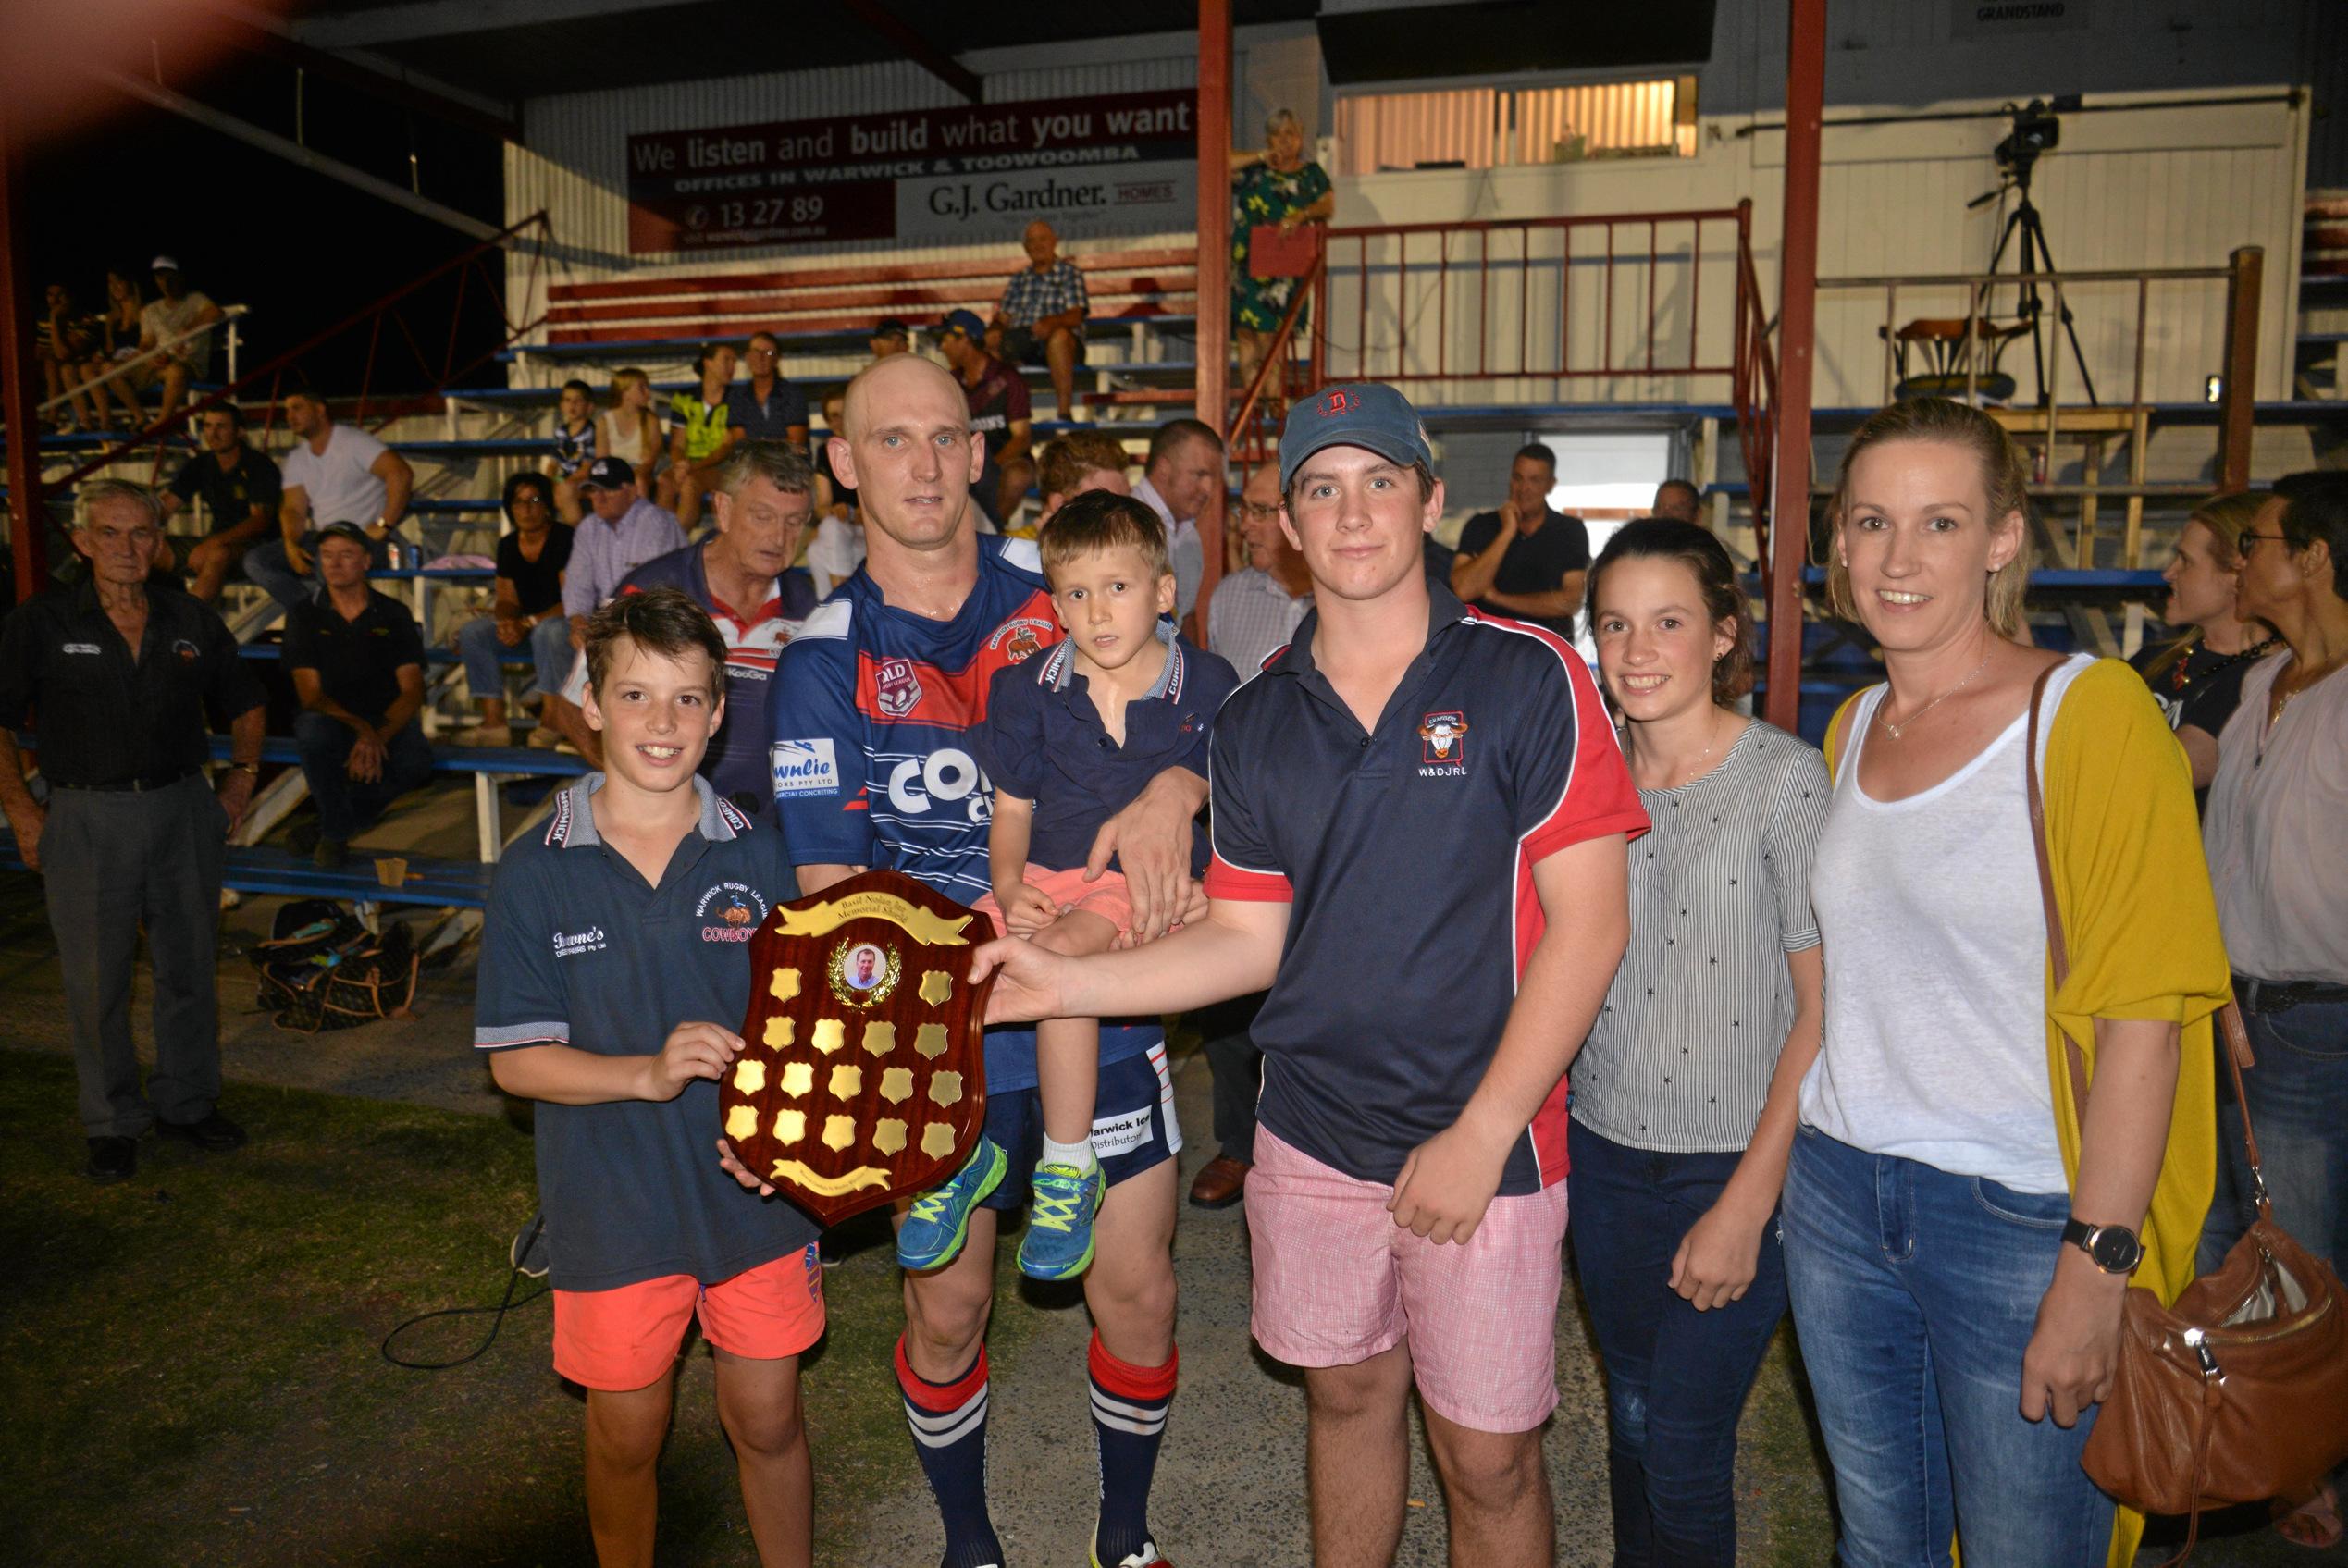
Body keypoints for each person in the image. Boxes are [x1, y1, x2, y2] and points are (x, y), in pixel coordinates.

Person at [973, 382, 1647, 1568]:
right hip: (1310, 1137)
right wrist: (1065, 986)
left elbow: (1590, 928)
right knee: (1343, 1401)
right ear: (1286, 522)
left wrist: (1483, 1131)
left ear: (1431, 501)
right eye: (1320, 490)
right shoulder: (1257, 719)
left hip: (1485, 1142)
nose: (1350, 515)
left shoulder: (1528, 674)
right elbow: (1245, 942)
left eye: (1379, 482)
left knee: (1487, 1458)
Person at [742, 352, 1202, 1568]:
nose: (926, 463)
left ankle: (1124, 1530)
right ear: (843, 464)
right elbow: (835, 902)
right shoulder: (821, 660)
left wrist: (1175, 781)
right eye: (892, 440)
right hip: (936, 1021)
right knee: (945, 1307)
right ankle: (966, 1539)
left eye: (946, 435)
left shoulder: (1065, 593)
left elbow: (1199, 707)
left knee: (1135, 1288)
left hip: (1092, 990)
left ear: (979, 449)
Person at [1786, 397, 2231, 1568]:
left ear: (2000, 540)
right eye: (1872, 521)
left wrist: (2096, 1269)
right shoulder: (1858, 725)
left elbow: (2147, 1029)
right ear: (1838, 540)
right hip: (1838, 1197)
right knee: (1880, 1545)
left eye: (1939, 523)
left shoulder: (2089, 719)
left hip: (2019, 1218)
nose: (1897, 556)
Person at [476, 588, 823, 1568]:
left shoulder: (762, 854)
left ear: (719, 715)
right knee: (627, 1435)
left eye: (685, 700)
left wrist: (785, 1140)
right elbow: (516, 1061)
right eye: (635, 695)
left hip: (752, 1197)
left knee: (766, 1418)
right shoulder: (537, 870)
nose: (660, 724)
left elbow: (802, 1031)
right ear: (590, 700)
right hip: (610, 1202)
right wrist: (647, 1071)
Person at [1574, 518, 1829, 1566]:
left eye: (1668, 622)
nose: (1638, 650)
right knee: (1630, 1416)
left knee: (1683, 1444)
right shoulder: (1584, 780)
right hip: (1604, 1153)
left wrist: (1747, 1204)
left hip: (1734, 1164)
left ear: (1724, 634)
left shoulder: (1786, 780)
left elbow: (1825, 1010)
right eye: (1616, 624)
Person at [971, 491, 1239, 1282]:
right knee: (962, 966)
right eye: (1078, 594)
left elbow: (1250, 811)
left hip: (1127, 887)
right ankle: (958, 1149)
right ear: (1055, 605)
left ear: (1163, 591)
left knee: (1059, 970)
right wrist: (1007, 883)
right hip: (1044, 881)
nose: (1098, 611)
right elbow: (1011, 810)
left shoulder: (1212, 683)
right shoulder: (1025, 688)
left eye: (1118, 587)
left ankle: (1064, 1161)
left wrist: (1208, 885)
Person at [0, 480, 265, 1182]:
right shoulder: (42, 620)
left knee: (188, 967)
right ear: (83, 542)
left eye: (141, 533)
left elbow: (246, 701)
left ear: (160, 540)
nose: (127, 547)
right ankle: (112, 1120)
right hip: (86, 816)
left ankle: (186, 1102)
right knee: (97, 979)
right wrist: (24, 813)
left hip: (182, 809)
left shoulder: (190, 617)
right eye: (110, 534)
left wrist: (239, 778)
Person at [2198, 471, 2348, 1558]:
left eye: (2255, 542)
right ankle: (2242, 1450)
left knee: (2295, 1258)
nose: (2242, 560)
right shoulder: (2267, 686)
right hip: (2240, 1009)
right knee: (2237, 1245)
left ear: (2314, 558)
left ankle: (2301, 1465)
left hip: (2320, 1015)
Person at [1188, 461, 1313, 1212]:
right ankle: (1240, 1141)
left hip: (1330, 820)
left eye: (1266, 511)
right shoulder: (1232, 596)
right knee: (1232, 988)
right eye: (1249, 510)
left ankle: (1307, 1141)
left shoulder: (1349, 594)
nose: (1251, 524)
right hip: (1241, 817)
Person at [607, 441, 819, 820]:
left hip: (774, 838)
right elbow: (572, 709)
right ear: (723, 509)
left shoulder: (813, 611)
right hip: (662, 834)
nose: (778, 537)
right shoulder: (646, 592)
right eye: (762, 516)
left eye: (793, 522)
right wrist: (646, 800)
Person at [284, 524, 435, 868]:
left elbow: (412, 689)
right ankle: (337, 832)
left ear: (366, 561)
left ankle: (332, 827)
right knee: (311, 730)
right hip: (332, 715)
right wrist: (362, 732)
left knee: (417, 761)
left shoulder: (393, 612)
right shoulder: (304, 614)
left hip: (385, 713)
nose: (334, 563)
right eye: (327, 555)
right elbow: (310, 694)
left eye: (346, 554)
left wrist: (376, 734)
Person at [2130, 490, 2278, 805]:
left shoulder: (2262, 680)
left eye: (2186, 561)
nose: (2169, 573)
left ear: (2236, 575)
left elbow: (2163, 773)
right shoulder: (2154, 659)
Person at [538, 458, 689, 757]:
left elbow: (647, 595)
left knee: (617, 644)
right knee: (551, 633)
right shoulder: (589, 528)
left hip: (657, 620)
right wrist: (579, 621)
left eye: (607, 490)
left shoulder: (654, 521)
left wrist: (600, 626)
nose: (599, 497)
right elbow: (578, 586)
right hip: (609, 617)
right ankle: (564, 721)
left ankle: (612, 733)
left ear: (631, 491)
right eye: (593, 491)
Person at [248, 387, 414, 613]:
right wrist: (290, 544)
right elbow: (293, 508)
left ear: (319, 409)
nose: (290, 417)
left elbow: (400, 473)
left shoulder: (353, 442)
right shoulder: (298, 458)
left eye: (297, 408)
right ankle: (313, 616)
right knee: (257, 561)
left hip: (365, 538)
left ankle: (332, 622)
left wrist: (384, 524)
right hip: (324, 537)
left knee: (325, 560)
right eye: (286, 411)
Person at [453, 472, 575, 747]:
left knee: (548, 631)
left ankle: (553, 721)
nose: (527, 509)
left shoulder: (564, 538)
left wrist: (527, 623)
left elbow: (573, 602)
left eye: (534, 499)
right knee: (473, 632)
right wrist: (508, 622)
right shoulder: (508, 545)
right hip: (527, 628)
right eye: (519, 502)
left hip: (563, 627)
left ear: (546, 505)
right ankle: (494, 722)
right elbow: (506, 598)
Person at [1229, 109, 1334, 389]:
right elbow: (1219, 163)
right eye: (1277, 134)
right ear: (1268, 139)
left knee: (1269, 337)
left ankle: (1273, 403)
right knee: (1246, 336)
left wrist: (1301, 215)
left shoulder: (1311, 174)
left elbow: (1328, 204)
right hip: (1245, 265)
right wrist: (1262, 156)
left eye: (1291, 134)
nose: (1284, 140)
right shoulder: (1255, 171)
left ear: (1300, 139)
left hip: (1282, 269)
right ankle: (1255, 404)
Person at [1450, 441, 1589, 637]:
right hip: (1486, 650)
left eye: (1535, 480)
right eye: (1518, 478)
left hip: (1547, 652)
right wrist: (1507, 532)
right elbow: (1463, 590)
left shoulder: (1569, 530)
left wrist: (1497, 598)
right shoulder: (1481, 525)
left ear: (1550, 484)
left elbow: (1570, 601)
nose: (1524, 488)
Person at [158, 403, 281, 602]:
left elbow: (260, 521)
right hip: (214, 542)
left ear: (239, 431)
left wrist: (211, 543)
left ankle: (192, 621)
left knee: (218, 554)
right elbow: (166, 507)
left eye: (221, 427)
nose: (213, 434)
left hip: (257, 548)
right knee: (151, 548)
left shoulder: (258, 465)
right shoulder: (201, 464)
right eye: (207, 426)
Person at [935, 308, 1032, 528]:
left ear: (965, 339)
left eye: (947, 339)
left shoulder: (1007, 378)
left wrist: (987, 466)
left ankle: (993, 532)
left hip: (1002, 460)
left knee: (1018, 475)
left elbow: (1021, 438)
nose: (943, 347)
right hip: (964, 462)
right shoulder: (951, 382)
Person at [991, 219, 1088, 421]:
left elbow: (1076, 315)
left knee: (1059, 337)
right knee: (992, 343)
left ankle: (1063, 412)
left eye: (1042, 239)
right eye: (1031, 241)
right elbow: (1003, 316)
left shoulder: (1069, 274)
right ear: (1025, 248)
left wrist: (1052, 322)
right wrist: (995, 328)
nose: (1037, 245)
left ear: (1054, 242)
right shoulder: (1018, 279)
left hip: (1063, 343)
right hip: (1024, 342)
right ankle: (999, 417)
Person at [1132, 419, 1225, 629]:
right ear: (1164, 468)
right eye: (1200, 474)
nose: (1208, 489)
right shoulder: (1122, 523)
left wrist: (1195, 661)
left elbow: (1186, 615)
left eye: (1214, 478)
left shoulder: (1188, 533)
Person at [137, 256, 223, 430]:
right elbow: (146, 343)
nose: (166, 283)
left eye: (170, 277)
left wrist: (188, 330)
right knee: (111, 370)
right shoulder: (151, 309)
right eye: (160, 278)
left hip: (187, 363)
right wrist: (151, 355)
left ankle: (163, 421)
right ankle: (139, 418)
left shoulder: (195, 299)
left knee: (175, 371)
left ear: (180, 277)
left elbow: (215, 312)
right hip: (159, 364)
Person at [663, 341, 739, 529]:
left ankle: (677, 541)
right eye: (726, 360)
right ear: (708, 363)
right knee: (665, 480)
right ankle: (660, 539)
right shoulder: (684, 398)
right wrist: (681, 465)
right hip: (690, 465)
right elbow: (677, 444)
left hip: (722, 467)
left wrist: (693, 468)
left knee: (690, 483)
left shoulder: (738, 398)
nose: (732, 367)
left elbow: (727, 448)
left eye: (734, 361)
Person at [807, 390, 865, 598]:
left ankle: (835, 608)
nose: (839, 421)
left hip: (870, 529)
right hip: (842, 528)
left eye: (844, 413)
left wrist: (865, 513)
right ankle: (840, 606)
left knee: (821, 545)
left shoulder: (870, 447)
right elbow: (822, 506)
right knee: (824, 537)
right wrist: (833, 510)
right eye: (833, 416)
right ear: (827, 421)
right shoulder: (825, 453)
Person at [83, 267, 150, 432]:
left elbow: (147, 345)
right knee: (86, 369)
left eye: (118, 282)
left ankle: (140, 416)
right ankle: (106, 421)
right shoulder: (112, 317)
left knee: (108, 369)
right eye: (110, 283)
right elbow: (109, 348)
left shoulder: (144, 311)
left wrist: (121, 360)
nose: (114, 287)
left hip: (137, 360)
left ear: (129, 283)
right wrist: (99, 356)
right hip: (117, 361)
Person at [1031, 428, 1132, 535]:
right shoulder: (1015, 549)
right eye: (1108, 505)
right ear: (1060, 506)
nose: (1127, 517)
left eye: (1129, 503)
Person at [728, 331, 811, 453]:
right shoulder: (737, 397)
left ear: (776, 359)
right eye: (756, 351)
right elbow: (739, 443)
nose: (761, 357)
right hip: (753, 467)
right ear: (747, 357)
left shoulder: (793, 394)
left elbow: (796, 443)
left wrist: (757, 446)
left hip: (789, 467)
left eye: (768, 352)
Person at [40, 282, 98, 432]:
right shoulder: (41, 322)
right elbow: (38, 351)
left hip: (76, 369)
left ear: (71, 298)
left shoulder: (85, 319)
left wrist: (54, 319)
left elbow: (62, 354)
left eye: (61, 295)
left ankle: (52, 418)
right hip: (46, 371)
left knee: (53, 363)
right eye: (51, 295)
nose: (55, 300)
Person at [596, 367, 663, 492]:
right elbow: (602, 460)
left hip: (642, 474)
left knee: (639, 481)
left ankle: (642, 512)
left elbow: (649, 461)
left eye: (647, 387)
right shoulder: (605, 421)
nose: (648, 392)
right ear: (625, 392)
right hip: (614, 472)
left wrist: (630, 475)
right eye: (642, 388)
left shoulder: (651, 420)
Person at [546, 379, 598, 523]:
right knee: (537, 492)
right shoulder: (560, 432)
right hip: (563, 480)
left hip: (586, 481)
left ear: (589, 407)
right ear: (561, 405)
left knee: (565, 490)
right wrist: (549, 482)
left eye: (578, 400)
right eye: (567, 400)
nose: (572, 405)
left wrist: (561, 484)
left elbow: (586, 469)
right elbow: (552, 464)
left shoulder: (592, 432)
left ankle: (576, 534)